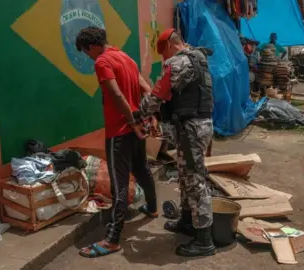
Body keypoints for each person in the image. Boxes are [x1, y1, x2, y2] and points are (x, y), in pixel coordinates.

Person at [74, 26, 158, 258]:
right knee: (142, 169)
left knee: (119, 184)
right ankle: (152, 208)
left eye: (85, 52)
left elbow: (116, 95)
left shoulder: (102, 62)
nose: (88, 56)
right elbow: (146, 89)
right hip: (136, 126)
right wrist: (148, 116)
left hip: (120, 131)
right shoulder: (126, 57)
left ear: (91, 47)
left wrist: (130, 122)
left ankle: (112, 239)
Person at [139, 28, 215, 257]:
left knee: (195, 181)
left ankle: (204, 241)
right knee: (185, 174)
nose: (165, 59)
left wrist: (140, 112)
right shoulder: (199, 58)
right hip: (194, 126)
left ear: (171, 45)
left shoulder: (180, 62)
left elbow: (157, 95)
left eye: (164, 53)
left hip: (192, 128)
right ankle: (187, 220)